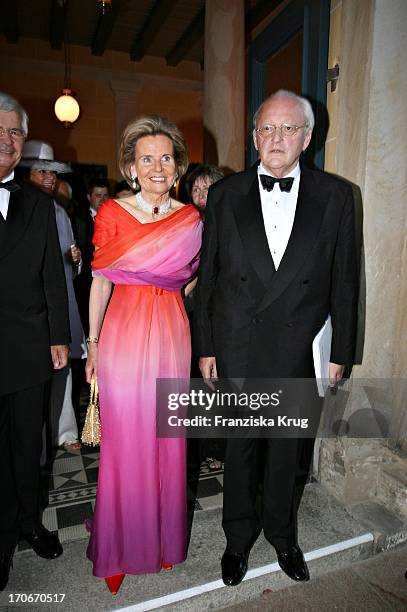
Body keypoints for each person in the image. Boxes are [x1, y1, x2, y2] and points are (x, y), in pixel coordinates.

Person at [194, 90, 358, 586]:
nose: (276, 138)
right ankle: (237, 539)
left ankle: (283, 536)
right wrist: (206, 346)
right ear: (254, 137)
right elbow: (211, 276)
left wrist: (342, 352)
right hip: (238, 341)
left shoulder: (336, 196)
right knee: (240, 449)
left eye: (288, 129)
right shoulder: (226, 195)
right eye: (266, 129)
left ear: (307, 138)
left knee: (287, 449)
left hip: (299, 345)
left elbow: (345, 280)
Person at [85, 115, 202, 594]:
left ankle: (161, 541)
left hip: (173, 331)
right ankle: (118, 547)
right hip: (125, 334)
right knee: (126, 441)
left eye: (166, 158)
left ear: (177, 168)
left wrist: (166, 283)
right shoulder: (112, 213)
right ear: (131, 167)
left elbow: (192, 277)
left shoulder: (192, 218)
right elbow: (99, 282)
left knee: (167, 438)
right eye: (147, 158)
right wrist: (91, 345)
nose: (157, 166)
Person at [0, 93, 70, 591]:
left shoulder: (39, 205)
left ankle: (28, 522)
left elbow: (52, 277)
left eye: (15, 133)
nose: (6, 141)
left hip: (28, 347)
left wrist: (59, 338)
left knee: (29, 445)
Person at [19, 140, 85, 452]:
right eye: (41, 172)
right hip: (26, 310)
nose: (49, 178)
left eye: (52, 173)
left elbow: (69, 265)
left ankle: (65, 432)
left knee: (63, 371)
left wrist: (75, 260)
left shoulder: (58, 211)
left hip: (61, 303)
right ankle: (37, 446)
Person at [74, 178, 109, 335]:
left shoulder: (113, 218)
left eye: (105, 195)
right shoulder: (79, 219)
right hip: (87, 280)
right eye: (98, 195)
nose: (102, 199)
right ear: (89, 197)